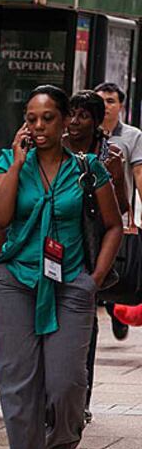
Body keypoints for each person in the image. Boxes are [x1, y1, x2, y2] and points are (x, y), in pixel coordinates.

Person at [0, 85, 122, 449]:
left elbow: (113, 224)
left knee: (66, 383)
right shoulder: (9, 162)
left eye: (48, 118)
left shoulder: (87, 167)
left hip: (70, 284)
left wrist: (93, 278)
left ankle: (62, 441)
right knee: (19, 388)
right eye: (32, 118)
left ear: (65, 122)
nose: (38, 126)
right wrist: (19, 162)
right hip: (16, 283)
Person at [64, 90, 128, 424]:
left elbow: (122, 209)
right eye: (71, 114)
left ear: (96, 120)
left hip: (88, 252)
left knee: (84, 330)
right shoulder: (53, 149)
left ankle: (80, 397)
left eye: (83, 115)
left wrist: (112, 179)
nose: (75, 122)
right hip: (52, 246)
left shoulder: (110, 156)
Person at [94, 82, 142, 340]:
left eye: (111, 100)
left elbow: (139, 173)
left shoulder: (132, 136)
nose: (106, 106)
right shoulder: (86, 133)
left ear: (120, 105)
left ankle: (116, 312)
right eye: (101, 100)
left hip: (119, 217)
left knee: (117, 268)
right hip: (90, 217)